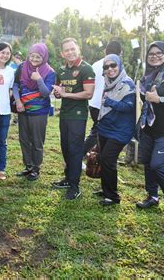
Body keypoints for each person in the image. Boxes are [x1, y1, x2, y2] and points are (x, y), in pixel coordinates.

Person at [136, 41, 164, 221]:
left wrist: (160, 99)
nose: (154, 56)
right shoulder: (147, 77)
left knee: (158, 165)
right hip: (149, 127)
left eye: (158, 53)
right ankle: (152, 196)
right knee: (148, 163)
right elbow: (143, 99)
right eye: (151, 53)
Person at [52, 38, 95, 200]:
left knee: (75, 150)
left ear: (78, 49)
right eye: (66, 50)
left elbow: (88, 93)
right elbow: (60, 90)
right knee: (65, 148)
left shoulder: (86, 69)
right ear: (62, 53)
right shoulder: (61, 70)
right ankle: (68, 178)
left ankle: (75, 186)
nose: (70, 52)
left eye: (72, 49)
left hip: (78, 116)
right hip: (64, 114)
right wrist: (58, 93)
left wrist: (65, 94)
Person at [95, 54, 136, 206]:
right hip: (105, 128)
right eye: (106, 67)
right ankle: (106, 189)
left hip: (120, 131)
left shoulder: (127, 84)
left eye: (113, 66)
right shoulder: (108, 82)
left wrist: (110, 102)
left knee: (108, 160)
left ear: (119, 66)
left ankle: (113, 197)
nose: (110, 69)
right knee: (104, 159)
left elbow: (129, 107)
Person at [13, 43, 55, 181]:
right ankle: (28, 166)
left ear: (44, 57)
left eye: (38, 57)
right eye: (32, 56)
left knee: (37, 140)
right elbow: (15, 85)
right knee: (24, 139)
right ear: (28, 55)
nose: (34, 59)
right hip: (23, 109)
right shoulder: (22, 67)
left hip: (39, 112)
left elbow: (45, 93)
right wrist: (18, 101)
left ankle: (36, 168)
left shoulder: (50, 72)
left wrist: (39, 79)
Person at [83, 41, 123, 163]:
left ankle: (94, 157)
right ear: (120, 53)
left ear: (105, 51)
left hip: (92, 103)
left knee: (97, 132)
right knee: (97, 133)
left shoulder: (96, 64)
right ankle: (79, 155)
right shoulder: (117, 65)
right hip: (105, 105)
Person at [0, 42, 15, 180]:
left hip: (5, 111)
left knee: (2, 141)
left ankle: (2, 169)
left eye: (7, 53)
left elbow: (10, 90)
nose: (5, 55)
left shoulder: (11, 71)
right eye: (2, 52)